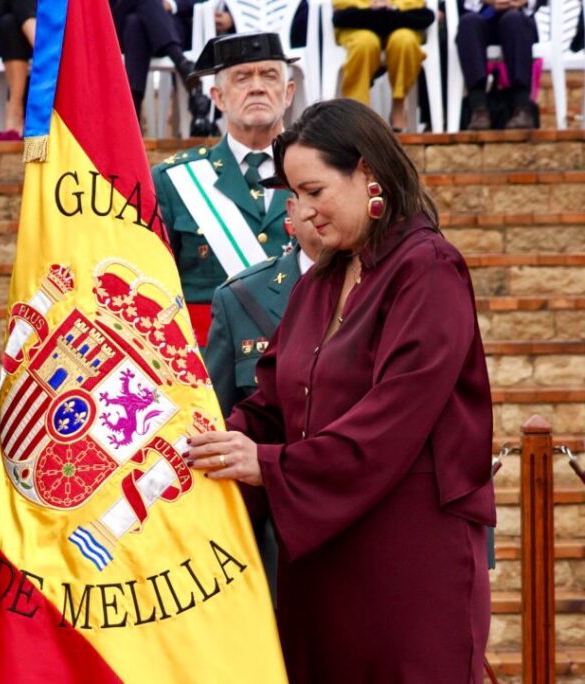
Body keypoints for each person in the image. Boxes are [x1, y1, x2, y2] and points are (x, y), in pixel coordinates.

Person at [189, 98, 495, 682]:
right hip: (322, 561)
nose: (302, 212)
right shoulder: (321, 281)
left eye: (314, 191)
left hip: (408, 559)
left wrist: (268, 465)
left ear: (367, 174)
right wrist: (209, 443)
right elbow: (271, 403)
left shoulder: (429, 269)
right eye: (294, 197)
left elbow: (391, 421)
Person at [203, 197, 320, 604]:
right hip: (271, 545)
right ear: (289, 211)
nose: (316, 211)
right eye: (307, 195)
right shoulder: (240, 297)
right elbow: (212, 424)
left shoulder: (397, 284)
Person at [152, 32, 296, 348]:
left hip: (305, 365)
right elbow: (154, 290)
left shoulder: (322, 172)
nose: (257, 86)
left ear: (288, 93)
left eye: (269, 76)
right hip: (212, 371)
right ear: (218, 97)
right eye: (242, 78)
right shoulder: (174, 181)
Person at [331, 0, 431, 131]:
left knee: (405, 42)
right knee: (364, 44)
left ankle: (399, 103)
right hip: (357, 23)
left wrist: (394, 6)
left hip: (401, 21)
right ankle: (358, 110)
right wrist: (369, 6)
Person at [110, 0, 200, 126]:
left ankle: (132, 120)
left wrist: (171, 4)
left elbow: (199, 2)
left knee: (135, 23)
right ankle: (181, 62)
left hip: (170, 26)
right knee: (134, 20)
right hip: (120, 21)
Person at [456, 0, 540, 129]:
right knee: (469, 23)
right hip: (479, 17)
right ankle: (479, 109)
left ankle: (522, 108)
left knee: (514, 20)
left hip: (518, 19)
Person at [0, 0, 35, 138]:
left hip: (42, 23)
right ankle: (38, 41)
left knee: (9, 23)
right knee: (8, 20)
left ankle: (15, 107)